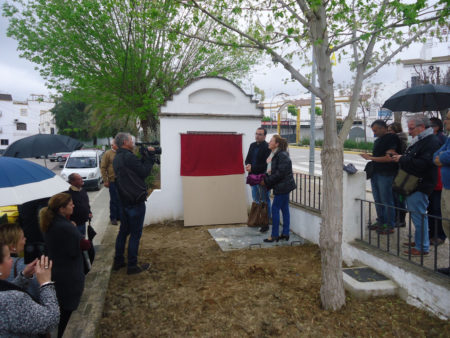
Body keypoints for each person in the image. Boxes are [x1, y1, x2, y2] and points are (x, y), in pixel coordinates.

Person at [391, 115, 440, 256]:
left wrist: (402, 158)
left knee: (419, 216)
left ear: (422, 127)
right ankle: (419, 241)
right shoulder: (421, 140)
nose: (409, 131)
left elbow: (423, 164)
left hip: (419, 185)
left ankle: (422, 247)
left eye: (412, 128)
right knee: (416, 216)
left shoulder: (431, 142)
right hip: (413, 184)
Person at [40, 193, 86, 337]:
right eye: (70, 204)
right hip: (69, 276)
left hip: (59, 273)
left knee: (64, 313)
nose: (73, 205)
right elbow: (76, 249)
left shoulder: (53, 222)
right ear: (61, 208)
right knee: (67, 316)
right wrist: (80, 237)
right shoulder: (64, 227)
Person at [113, 132, 155, 275]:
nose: (133, 142)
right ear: (125, 142)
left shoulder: (117, 157)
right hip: (135, 201)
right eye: (131, 140)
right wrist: (150, 158)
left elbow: (135, 170)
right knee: (135, 235)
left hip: (124, 201)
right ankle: (132, 266)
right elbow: (143, 172)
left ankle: (118, 260)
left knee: (123, 232)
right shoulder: (128, 156)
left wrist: (143, 157)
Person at [0, 243, 59, 337]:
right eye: (8, 257)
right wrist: (46, 283)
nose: (11, 260)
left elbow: (4, 289)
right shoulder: (13, 300)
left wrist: (24, 276)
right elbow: (51, 320)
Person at [360, 120, 400, 234]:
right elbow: (379, 156)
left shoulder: (392, 138)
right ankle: (381, 221)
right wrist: (371, 157)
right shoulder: (378, 140)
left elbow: (389, 158)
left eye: (376, 130)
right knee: (378, 200)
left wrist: (370, 158)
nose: (374, 133)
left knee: (386, 200)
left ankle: (389, 224)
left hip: (386, 174)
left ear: (384, 128)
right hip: (376, 173)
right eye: (373, 131)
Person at [260, 135, 296, 242]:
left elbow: (279, 174)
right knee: (284, 209)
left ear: (277, 144)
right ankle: (285, 233)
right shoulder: (277, 154)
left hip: (282, 187)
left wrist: (266, 181)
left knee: (275, 209)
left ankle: (274, 235)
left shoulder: (281, 155)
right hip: (283, 186)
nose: (269, 142)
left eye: (271, 141)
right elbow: (274, 171)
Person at [0, 223, 40, 299]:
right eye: (22, 238)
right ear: (13, 246)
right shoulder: (25, 265)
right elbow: (38, 292)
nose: (25, 239)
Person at [245, 127, 272, 232]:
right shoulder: (252, 145)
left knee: (265, 200)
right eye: (256, 133)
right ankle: (255, 220)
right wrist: (247, 165)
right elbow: (248, 159)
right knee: (256, 200)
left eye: (260, 134)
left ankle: (265, 223)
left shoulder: (267, 147)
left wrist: (253, 168)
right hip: (253, 177)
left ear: (265, 136)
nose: (257, 135)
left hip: (262, 178)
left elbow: (266, 165)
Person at [433, 110, 450, 274]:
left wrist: (442, 158)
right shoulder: (449, 138)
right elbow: (435, 156)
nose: (445, 121)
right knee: (447, 223)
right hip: (447, 186)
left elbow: (444, 157)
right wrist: (442, 157)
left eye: (448, 119)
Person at [428, 117, 447, 247]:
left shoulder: (442, 138)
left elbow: (442, 156)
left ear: (435, 127)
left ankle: (440, 235)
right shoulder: (432, 138)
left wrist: (439, 157)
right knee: (431, 209)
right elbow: (435, 156)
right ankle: (431, 233)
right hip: (431, 179)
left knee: (438, 209)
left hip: (440, 180)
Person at [101, 139, 121, 225]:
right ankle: (113, 217)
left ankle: (120, 216)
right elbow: (103, 167)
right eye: (115, 144)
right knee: (114, 200)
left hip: (122, 181)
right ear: (112, 145)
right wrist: (105, 180)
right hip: (112, 181)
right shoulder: (108, 153)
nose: (117, 145)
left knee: (121, 199)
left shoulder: (121, 152)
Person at [67, 173, 92, 237]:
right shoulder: (68, 194)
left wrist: (89, 212)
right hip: (75, 224)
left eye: (81, 178)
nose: (82, 180)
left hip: (83, 222)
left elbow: (86, 204)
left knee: (83, 239)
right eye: (79, 179)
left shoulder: (83, 190)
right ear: (72, 182)